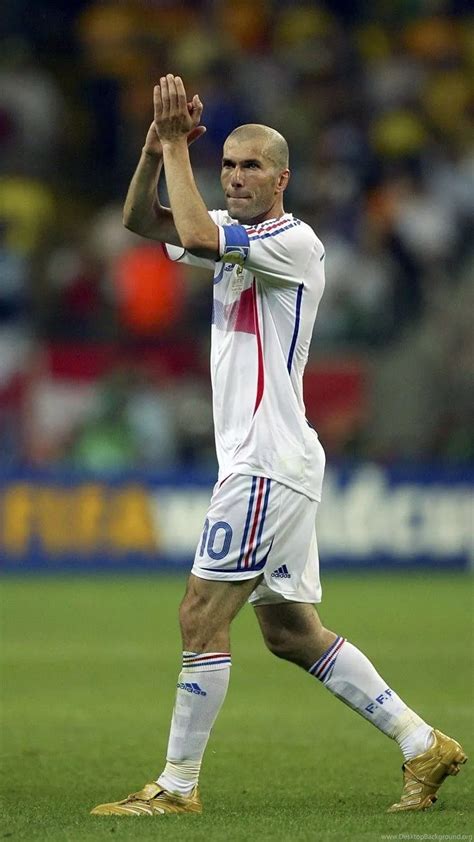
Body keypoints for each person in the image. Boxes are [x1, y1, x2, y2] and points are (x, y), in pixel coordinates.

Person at [91, 75, 466, 818]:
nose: (236, 177)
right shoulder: (234, 238)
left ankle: (177, 787)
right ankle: (422, 742)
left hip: (264, 460)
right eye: (228, 165)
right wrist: (154, 150)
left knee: (200, 614)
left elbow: (197, 235)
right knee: (293, 634)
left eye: (251, 167)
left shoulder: (291, 242)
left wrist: (178, 147)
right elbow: (143, 221)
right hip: (274, 459)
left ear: (282, 178)